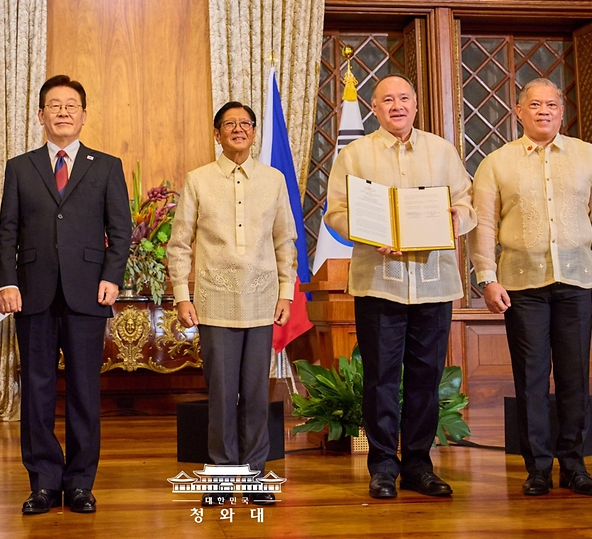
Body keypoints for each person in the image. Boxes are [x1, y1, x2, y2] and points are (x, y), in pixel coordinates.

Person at [469, 77, 592, 497]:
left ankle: (574, 464)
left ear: (561, 110)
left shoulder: (588, 156)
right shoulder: (497, 162)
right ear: (519, 112)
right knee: (531, 377)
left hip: (577, 281)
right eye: (534, 105)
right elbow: (481, 226)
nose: (544, 111)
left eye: (551, 104)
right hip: (521, 285)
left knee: (575, 376)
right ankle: (537, 467)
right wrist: (487, 277)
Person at [325, 75, 476, 500]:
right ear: (374, 108)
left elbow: (467, 206)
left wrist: (453, 220)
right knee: (380, 378)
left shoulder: (441, 151)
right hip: (378, 280)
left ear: (416, 105)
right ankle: (382, 468)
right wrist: (369, 233)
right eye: (387, 99)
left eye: (404, 98)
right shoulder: (355, 154)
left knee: (426, 378)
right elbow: (335, 213)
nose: (397, 105)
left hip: (434, 282)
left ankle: (418, 466)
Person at [0, 74, 131, 515]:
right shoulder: (20, 166)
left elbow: (121, 230)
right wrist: (6, 280)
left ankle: (79, 484)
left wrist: (112, 276)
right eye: (55, 106)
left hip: (89, 293)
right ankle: (43, 482)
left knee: (84, 391)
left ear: (84, 115)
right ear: (40, 115)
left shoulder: (106, 166)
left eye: (71, 106)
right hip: (31, 293)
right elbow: (8, 231)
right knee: (35, 390)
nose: (63, 112)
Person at [167, 101, 297, 506]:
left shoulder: (273, 180)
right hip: (213, 301)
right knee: (222, 394)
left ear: (255, 132)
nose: (238, 130)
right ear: (217, 133)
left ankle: (256, 477)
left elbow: (284, 241)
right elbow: (179, 245)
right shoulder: (198, 180)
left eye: (245, 124)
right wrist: (182, 297)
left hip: (262, 302)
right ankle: (222, 477)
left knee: (257, 394)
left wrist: (286, 293)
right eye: (229, 124)